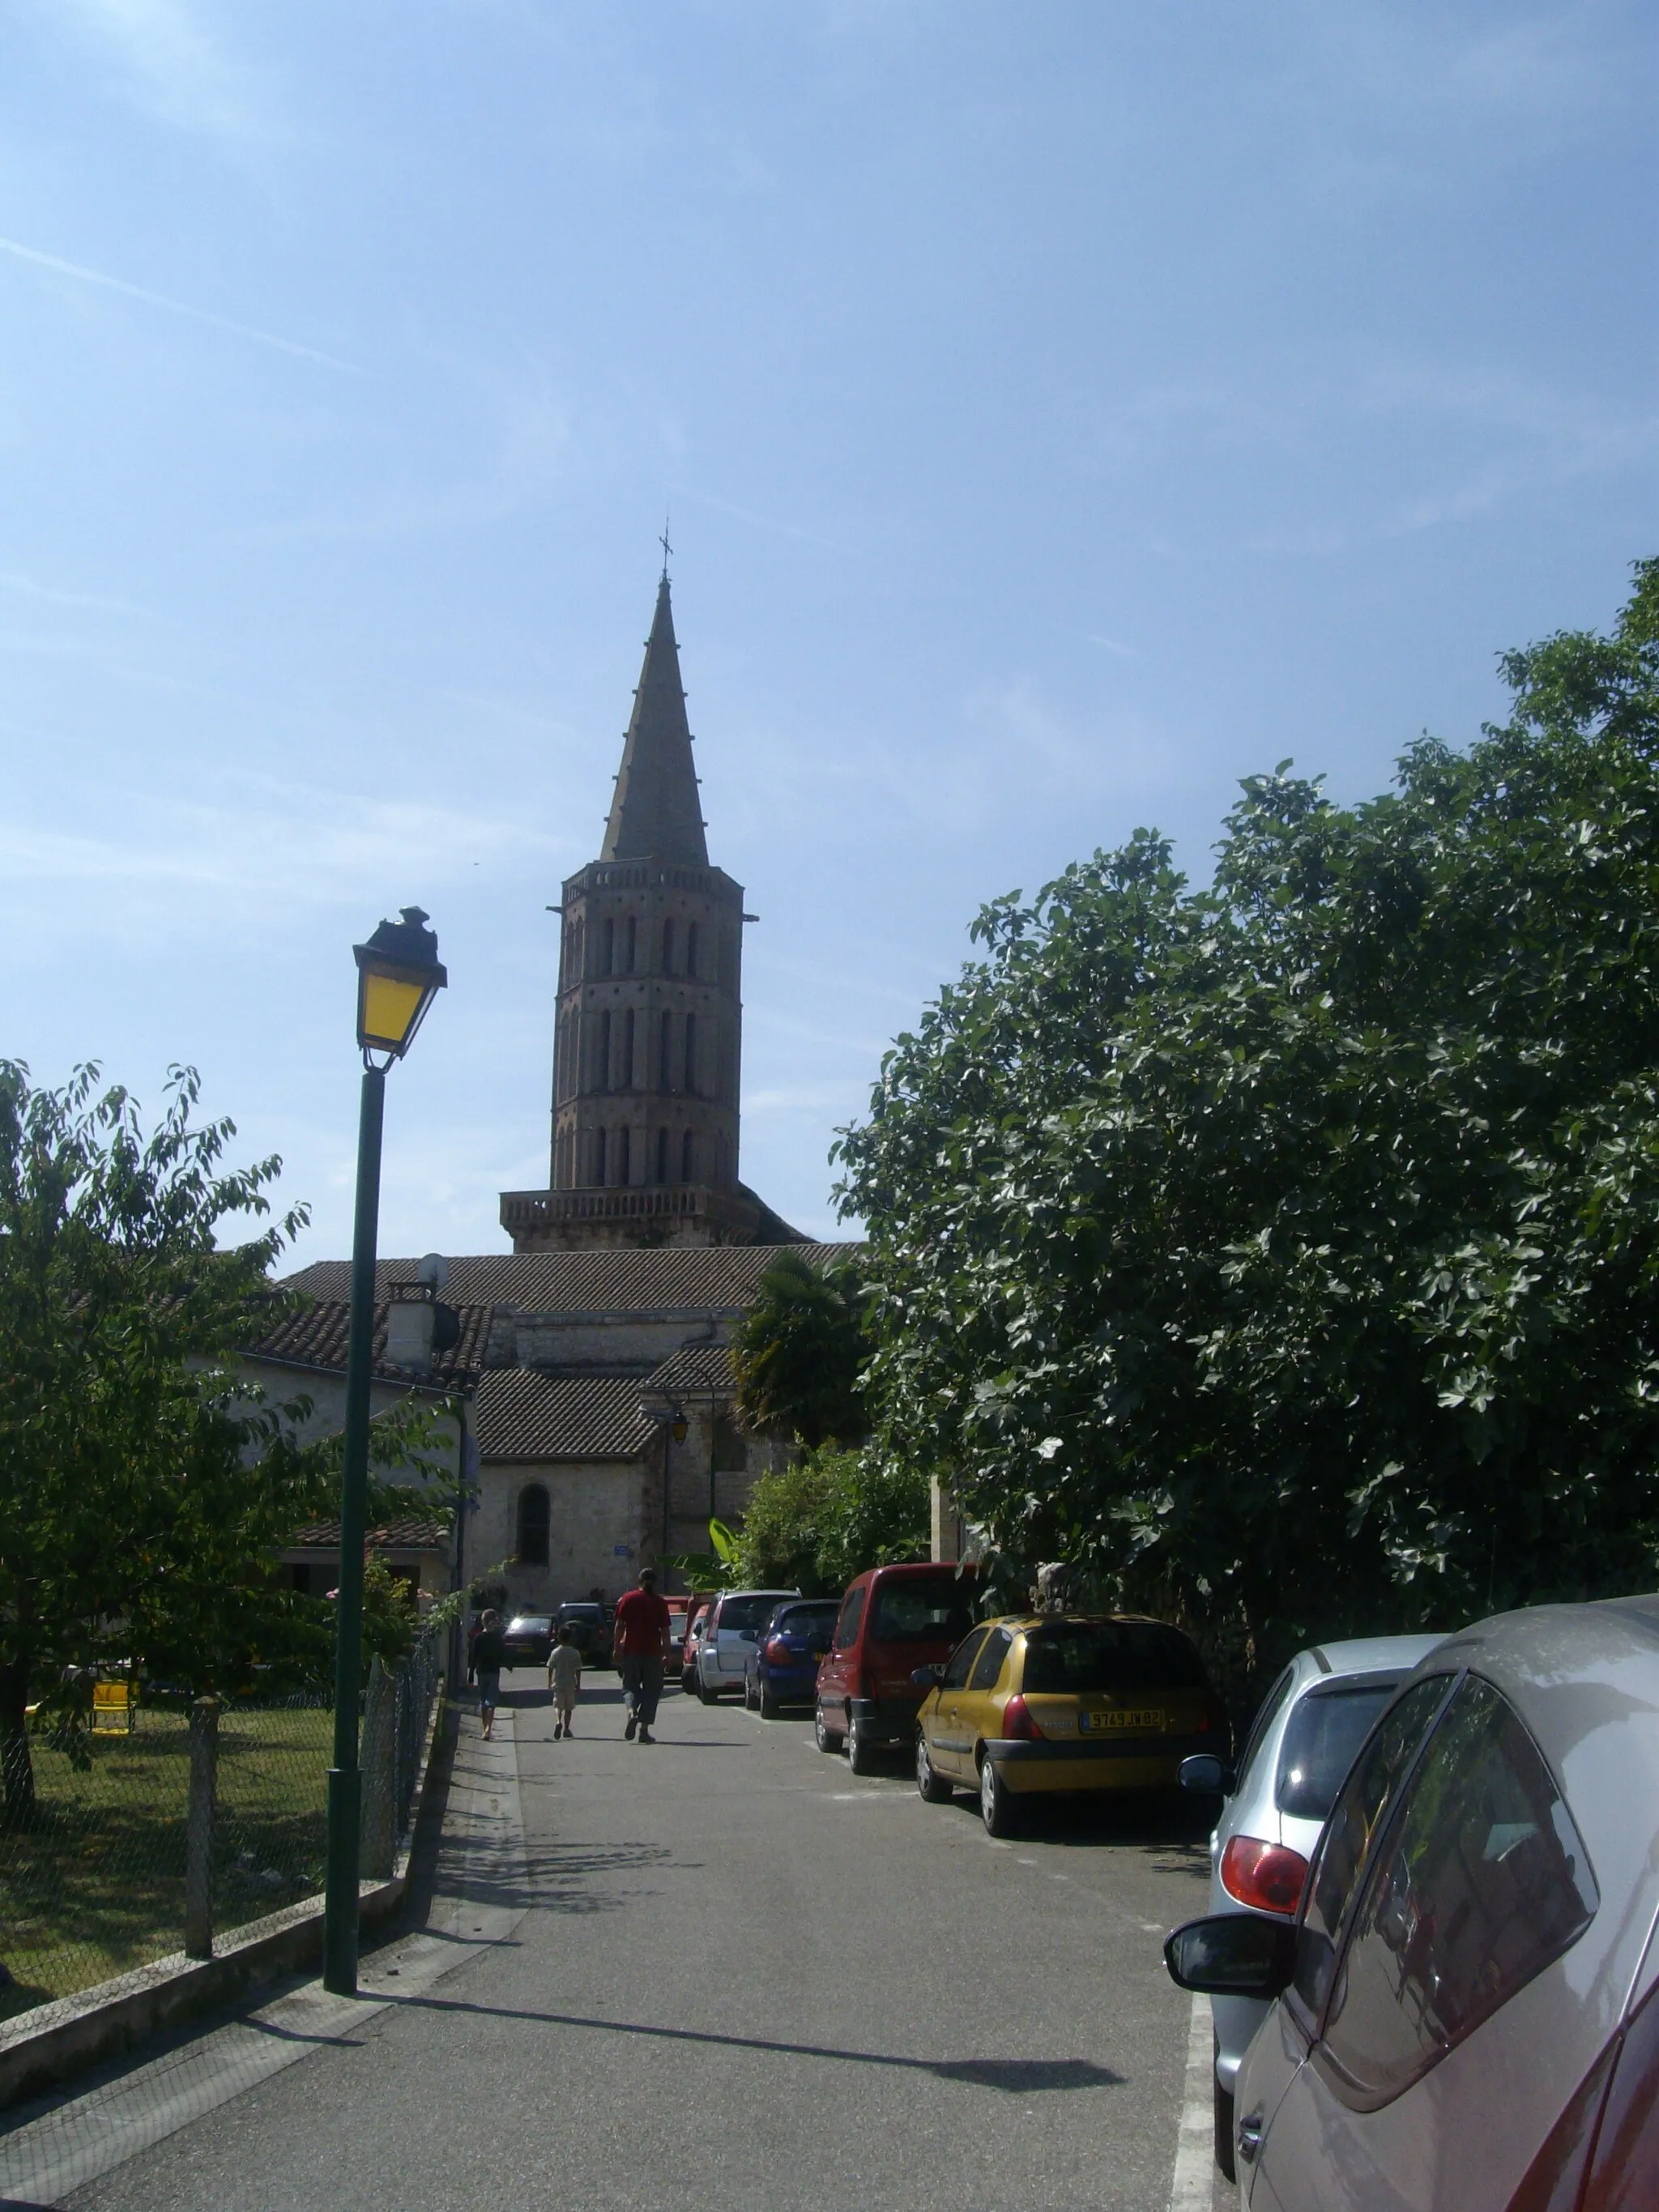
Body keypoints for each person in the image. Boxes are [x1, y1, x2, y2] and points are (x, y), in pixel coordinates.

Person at [611, 1568, 672, 1744]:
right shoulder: (660, 1602)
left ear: (639, 1580)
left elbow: (619, 1626)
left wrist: (616, 1648)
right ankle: (644, 1730)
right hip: (653, 1653)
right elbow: (665, 1632)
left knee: (630, 1687)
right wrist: (667, 1654)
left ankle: (632, 1713)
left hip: (632, 1651)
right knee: (652, 1691)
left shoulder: (627, 1599)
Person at [471, 1608, 506, 1741]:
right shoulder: (497, 1637)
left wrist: (470, 1677)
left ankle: (484, 1728)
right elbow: (503, 1652)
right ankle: (488, 1729)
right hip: (494, 1671)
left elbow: (473, 1657)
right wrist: (508, 1664)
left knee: (483, 1701)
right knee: (491, 1701)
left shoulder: (478, 1637)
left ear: (483, 1621)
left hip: (481, 1671)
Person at [548, 1623, 582, 1739]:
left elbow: (551, 1667)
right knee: (569, 1707)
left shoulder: (555, 1652)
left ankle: (558, 1721)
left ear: (559, 1637)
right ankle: (567, 1729)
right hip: (570, 1683)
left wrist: (549, 1681)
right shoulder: (575, 1653)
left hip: (558, 1682)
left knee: (558, 1705)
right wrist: (578, 1684)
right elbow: (578, 1670)